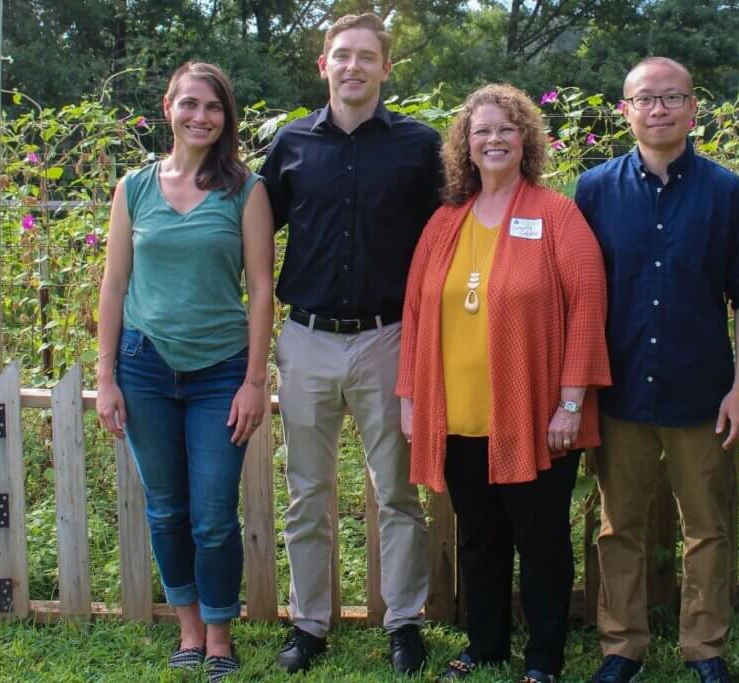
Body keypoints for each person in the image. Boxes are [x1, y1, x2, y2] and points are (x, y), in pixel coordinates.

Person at [397, 83, 610, 683]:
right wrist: (412, 398)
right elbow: (415, 313)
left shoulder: (556, 214)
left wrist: (572, 402)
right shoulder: (444, 222)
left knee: (541, 543)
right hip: (459, 414)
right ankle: (484, 646)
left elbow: (588, 306)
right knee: (480, 539)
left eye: (505, 129)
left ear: (526, 141)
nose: (493, 139)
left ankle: (543, 660)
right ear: (465, 145)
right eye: (481, 130)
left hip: (535, 414)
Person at [259, 13, 442, 676]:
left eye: (368, 57)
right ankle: (308, 620)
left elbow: (444, 240)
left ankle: (404, 621)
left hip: (389, 336)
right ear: (324, 64)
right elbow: (254, 230)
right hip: (306, 338)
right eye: (343, 56)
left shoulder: (420, 146)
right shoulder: (290, 144)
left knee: (395, 490)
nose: (354, 67)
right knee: (308, 490)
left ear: (386, 69)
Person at [575, 57, 739, 683]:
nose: (658, 109)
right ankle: (621, 647)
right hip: (622, 390)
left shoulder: (729, 194)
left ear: (693, 109)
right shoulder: (594, 190)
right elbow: (578, 295)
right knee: (617, 528)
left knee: (708, 529)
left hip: (701, 391)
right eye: (645, 99)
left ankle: (704, 648)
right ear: (625, 110)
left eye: (672, 98)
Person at [96, 62, 274, 682]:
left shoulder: (245, 191)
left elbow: (259, 289)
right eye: (190, 103)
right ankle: (189, 630)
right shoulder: (134, 189)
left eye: (215, 107)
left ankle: (220, 635)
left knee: (214, 514)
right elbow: (115, 285)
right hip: (143, 369)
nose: (201, 116)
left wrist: (255, 380)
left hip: (220, 373)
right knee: (167, 510)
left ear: (226, 119)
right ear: (169, 106)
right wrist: (106, 376)